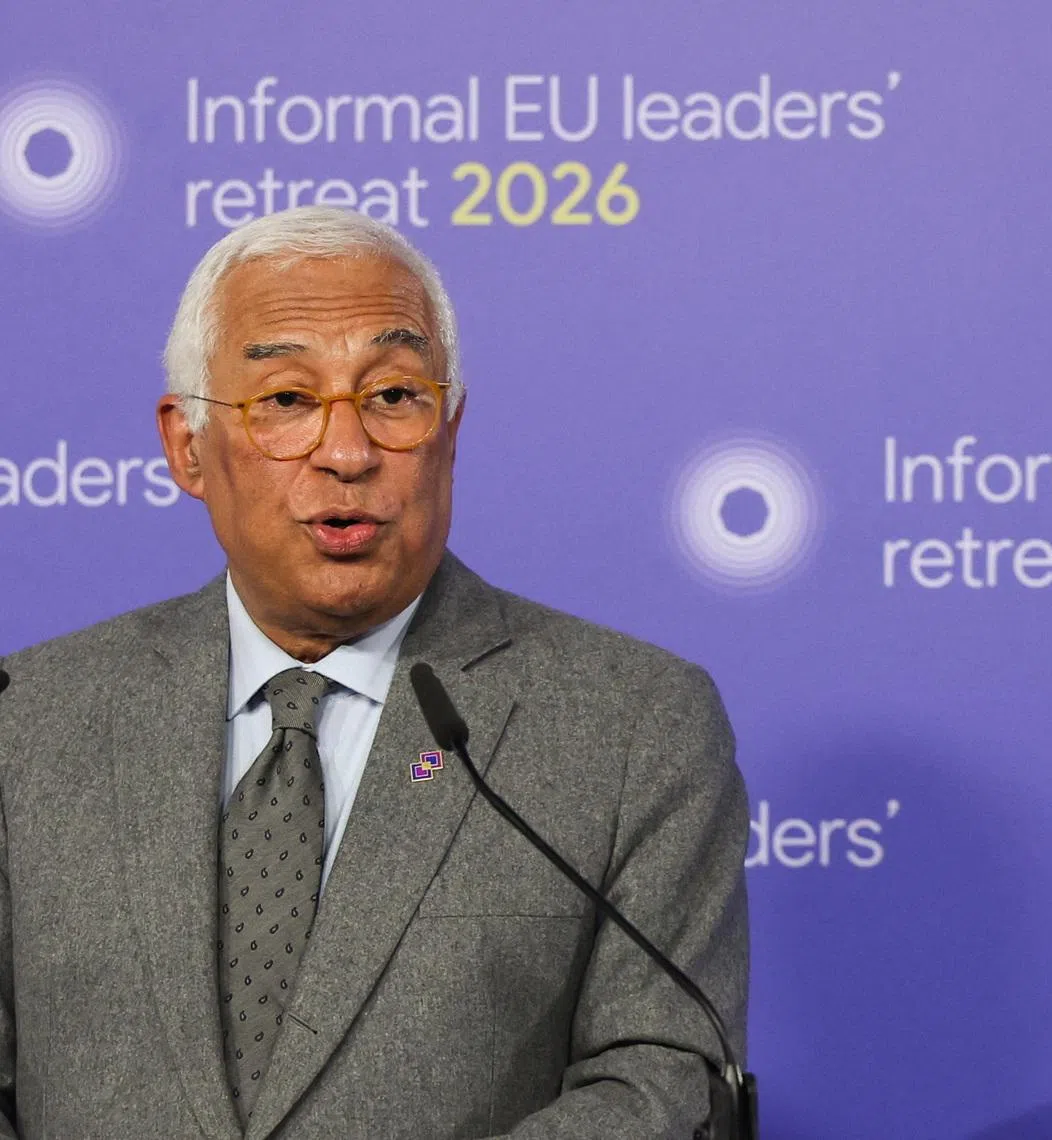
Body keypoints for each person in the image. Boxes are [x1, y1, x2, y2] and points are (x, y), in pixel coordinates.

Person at [0, 206, 749, 1139]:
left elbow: (667, 1079)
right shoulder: (25, 723)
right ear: (187, 448)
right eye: (285, 401)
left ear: (451, 428)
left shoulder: (632, 723)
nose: (347, 453)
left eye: (394, 396)